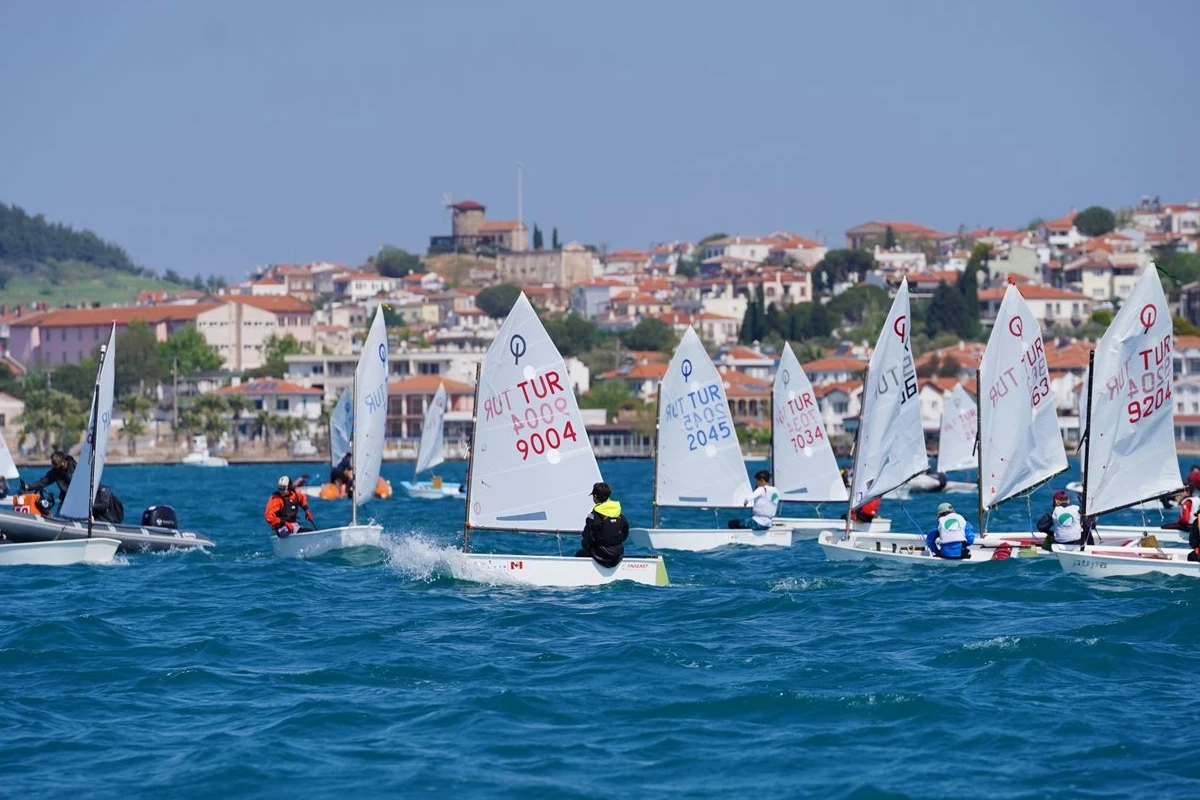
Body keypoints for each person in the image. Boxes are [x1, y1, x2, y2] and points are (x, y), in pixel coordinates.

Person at [576, 481, 628, 568]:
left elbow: (587, 539)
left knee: (579, 554)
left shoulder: (593, 516)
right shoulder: (619, 513)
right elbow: (625, 533)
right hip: (619, 554)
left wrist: (587, 547)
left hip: (602, 556)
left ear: (595, 496)